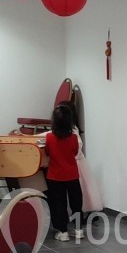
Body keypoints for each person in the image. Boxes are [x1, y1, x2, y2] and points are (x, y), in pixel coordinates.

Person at [45, 103, 83, 242]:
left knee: (59, 204)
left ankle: (63, 231)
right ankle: (79, 230)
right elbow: (75, 152)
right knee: (76, 203)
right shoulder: (73, 138)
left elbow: (48, 152)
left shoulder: (49, 137)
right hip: (72, 175)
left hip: (55, 176)